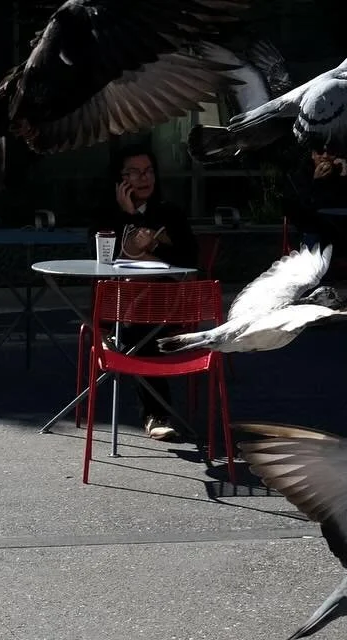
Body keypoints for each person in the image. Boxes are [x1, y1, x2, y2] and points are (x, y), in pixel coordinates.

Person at [89, 145, 198, 442]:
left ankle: (156, 415)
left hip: (163, 306)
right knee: (138, 322)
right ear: (120, 179)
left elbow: (189, 260)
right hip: (117, 303)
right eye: (134, 172)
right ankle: (113, 335)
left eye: (148, 171)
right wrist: (128, 216)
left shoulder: (170, 213)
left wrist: (152, 242)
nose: (143, 178)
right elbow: (100, 261)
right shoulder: (106, 215)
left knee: (143, 324)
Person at [281, 140, 347, 249]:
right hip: (309, 225)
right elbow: (306, 205)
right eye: (320, 152)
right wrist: (317, 181)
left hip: (333, 225)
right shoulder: (301, 174)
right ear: (313, 155)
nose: (325, 156)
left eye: (330, 152)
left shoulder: (337, 174)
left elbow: (344, 202)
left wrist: (344, 175)